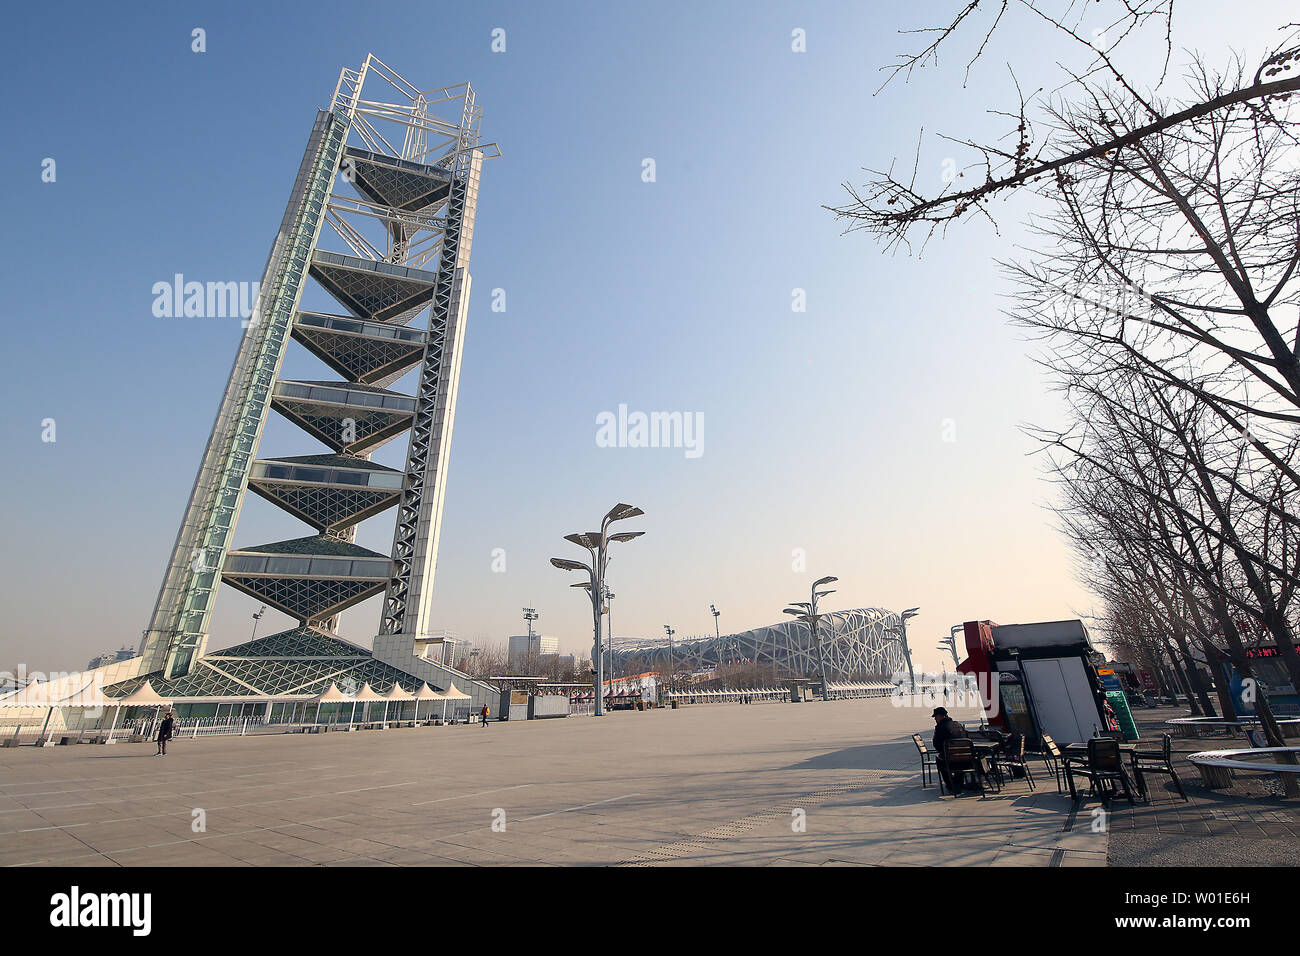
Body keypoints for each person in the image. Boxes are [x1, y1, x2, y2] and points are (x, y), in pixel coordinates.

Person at [931, 706, 970, 794]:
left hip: (950, 761)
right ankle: (958, 783)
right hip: (967, 760)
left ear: (940, 716)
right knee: (959, 759)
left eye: (935, 717)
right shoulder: (957, 724)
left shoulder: (940, 727)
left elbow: (937, 745)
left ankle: (951, 784)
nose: (935, 719)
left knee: (940, 761)